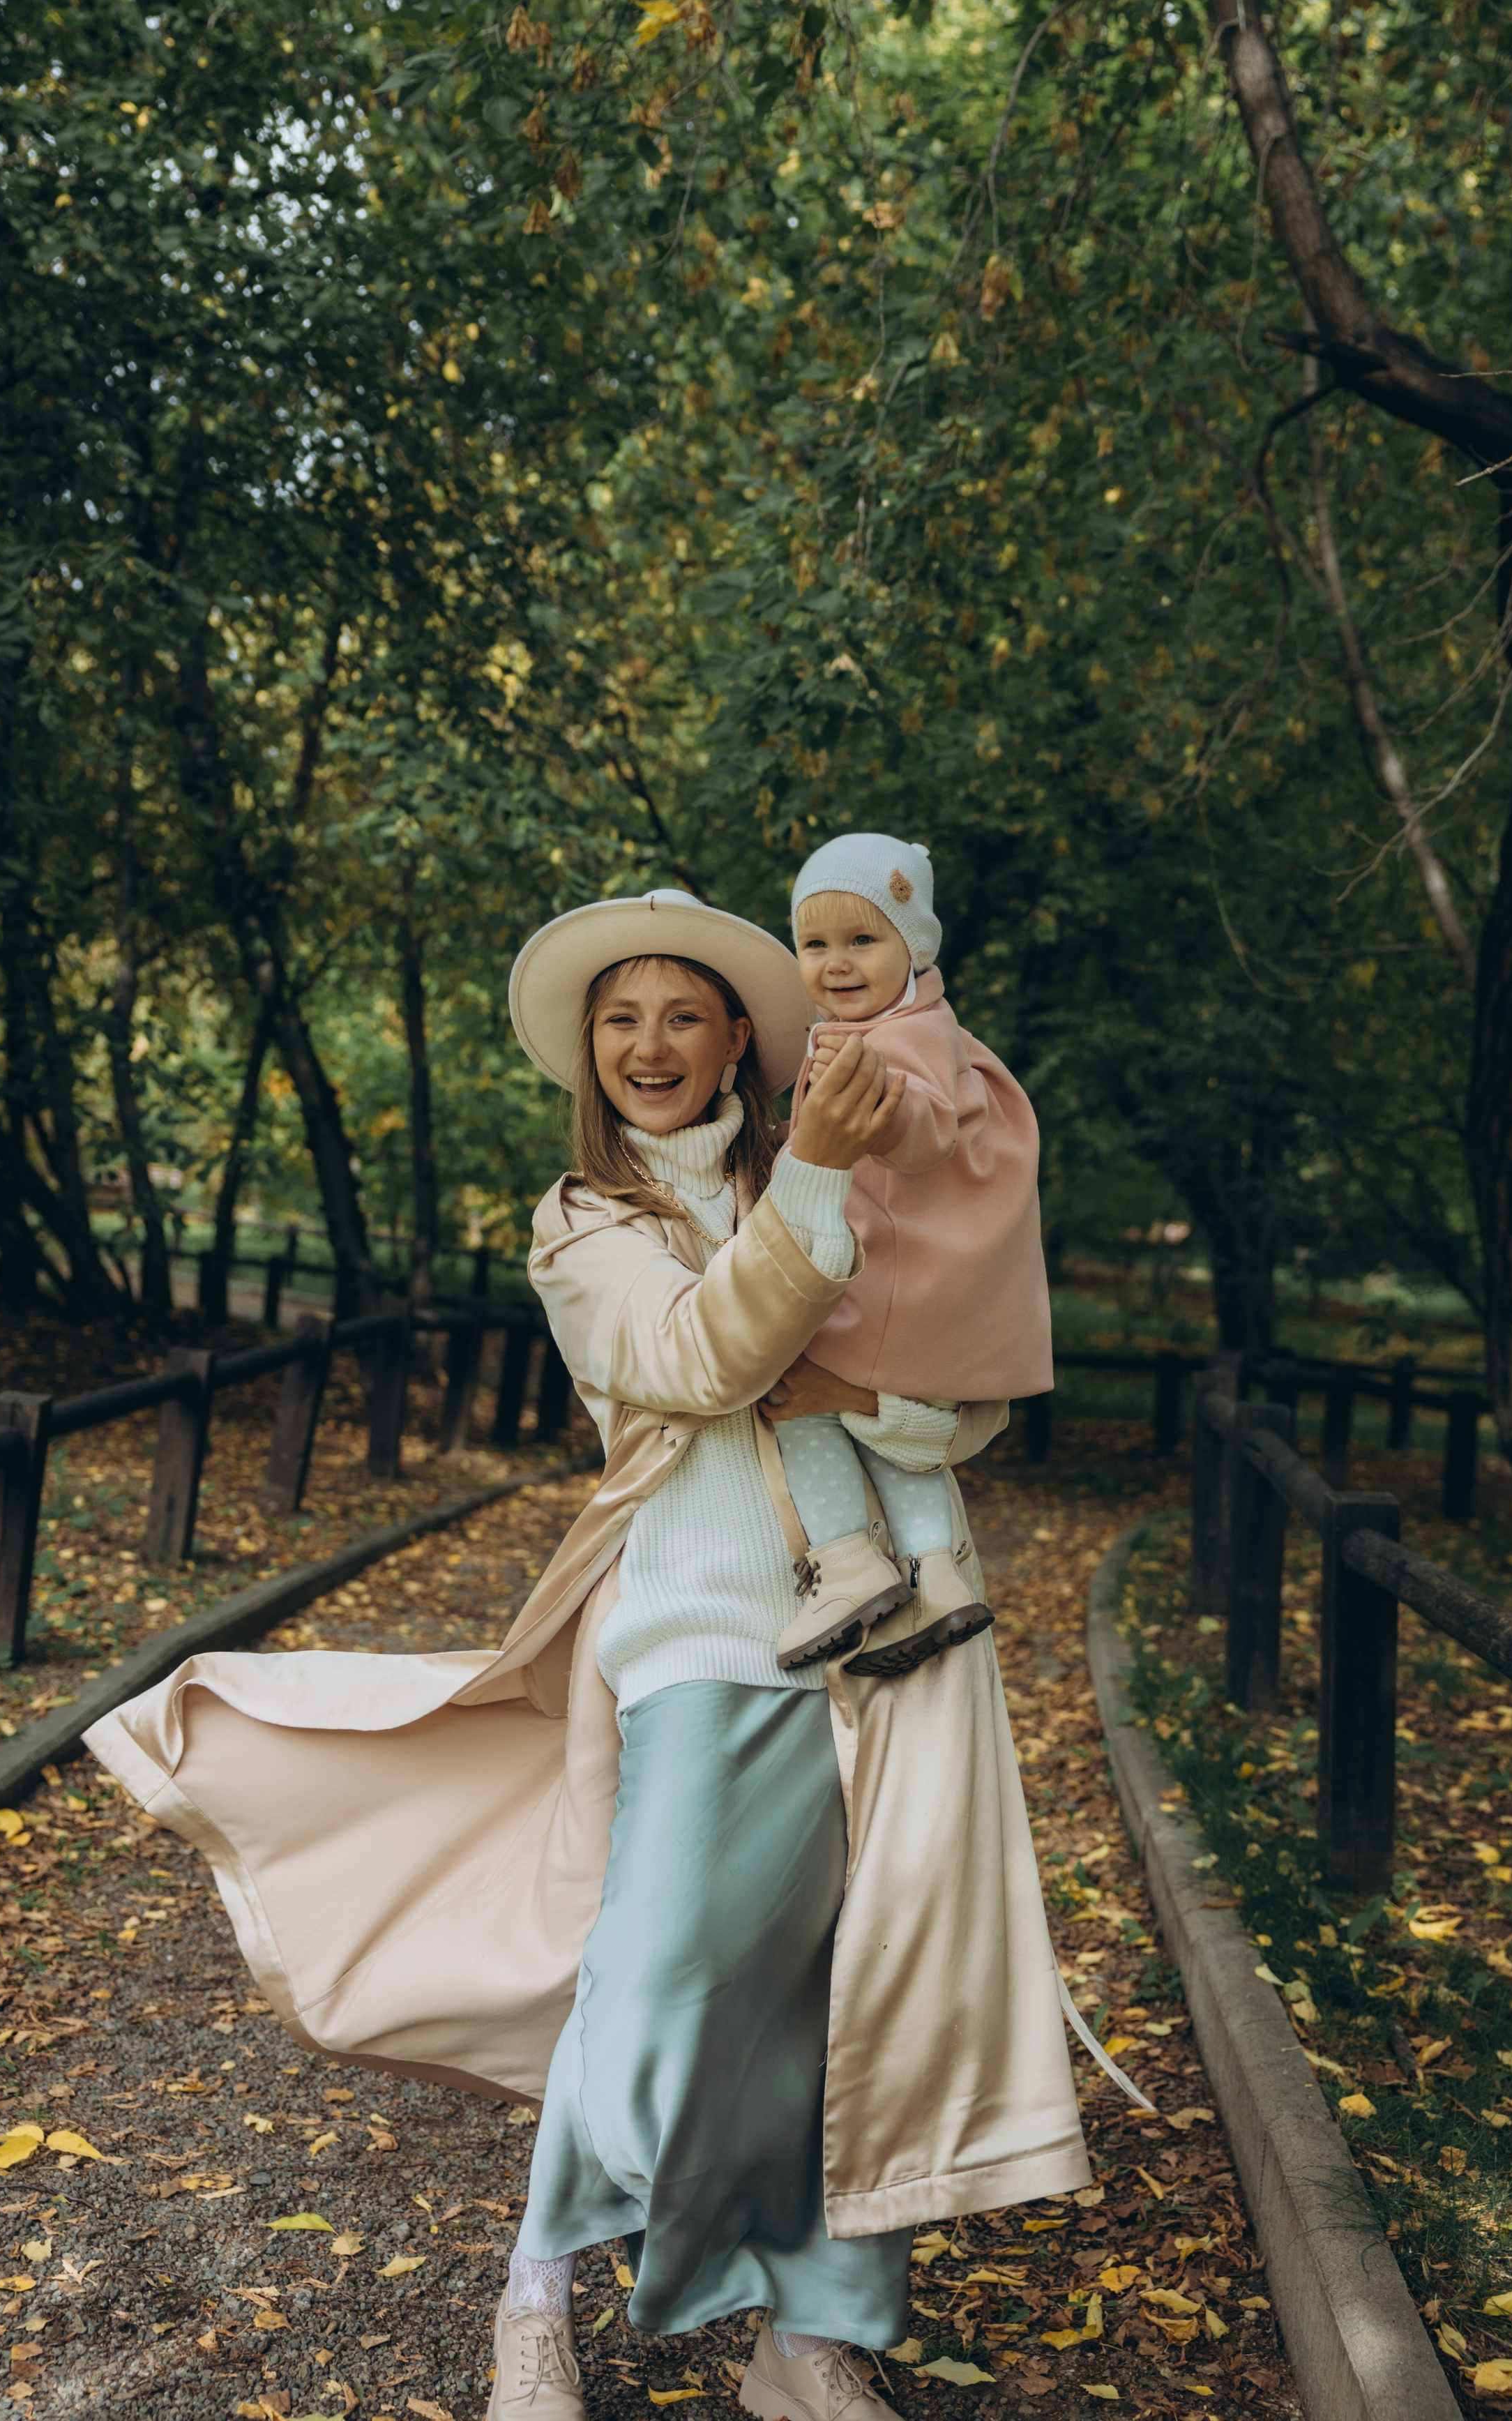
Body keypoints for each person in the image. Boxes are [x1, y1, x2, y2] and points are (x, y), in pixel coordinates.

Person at [86, 887, 1088, 2421]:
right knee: (661, 1970)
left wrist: (870, 1391)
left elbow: (958, 1377)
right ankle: (533, 2304)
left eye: (681, 1014)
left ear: (738, 1036)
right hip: (696, 1634)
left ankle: (803, 2341)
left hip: (883, 1643)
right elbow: (700, 1356)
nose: (648, 1045)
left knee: (832, 1995)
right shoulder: (581, 1226)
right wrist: (815, 1205)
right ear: (587, 1051)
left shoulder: (845, 1171)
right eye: (619, 1021)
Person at [769, 836, 1052, 1682]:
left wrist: (871, 1117)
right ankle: (936, 1572)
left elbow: (923, 1130)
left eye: (863, 940)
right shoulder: (889, 1028)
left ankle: (846, 1560)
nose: (837, 964)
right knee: (886, 1435)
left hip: (897, 1284)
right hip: (923, 1285)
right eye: (815, 945)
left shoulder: (898, 1038)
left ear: (913, 947)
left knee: (798, 1397)